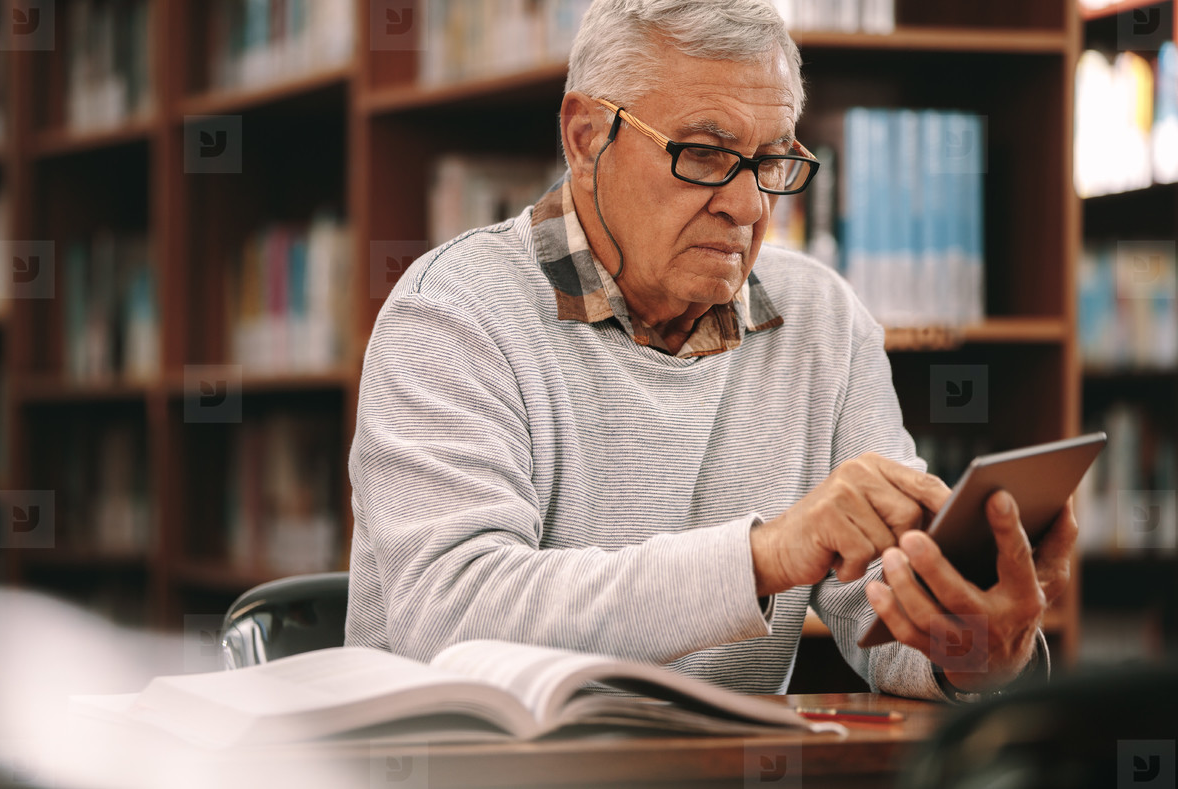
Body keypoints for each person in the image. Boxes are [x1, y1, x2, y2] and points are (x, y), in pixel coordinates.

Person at [346, 0, 1076, 701]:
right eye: (703, 154)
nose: (750, 206)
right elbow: (450, 616)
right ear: (585, 137)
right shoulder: (451, 312)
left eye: (771, 162)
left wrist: (968, 640)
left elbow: (881, 611)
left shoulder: (821, 319)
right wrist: (762, 557)